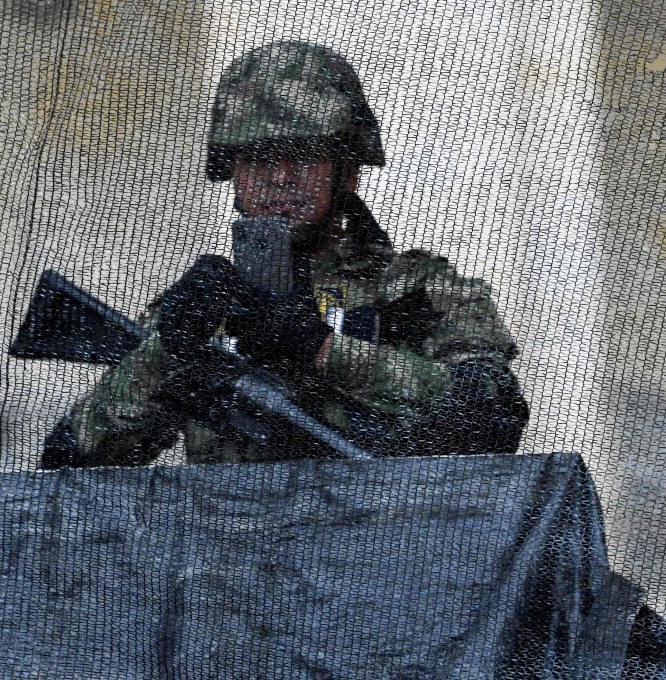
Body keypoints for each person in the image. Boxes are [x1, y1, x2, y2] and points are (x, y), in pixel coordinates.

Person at [48, 41, 530, 468]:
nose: (280, 177)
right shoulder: (212, 304)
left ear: (347, 173)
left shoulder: (420, 290)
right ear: (232, 174)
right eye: (257, 158)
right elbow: (72, 459)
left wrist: (321, 349)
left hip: (387, 550)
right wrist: (166, 350)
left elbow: (491, 418)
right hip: (234, 555)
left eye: (303, 155)